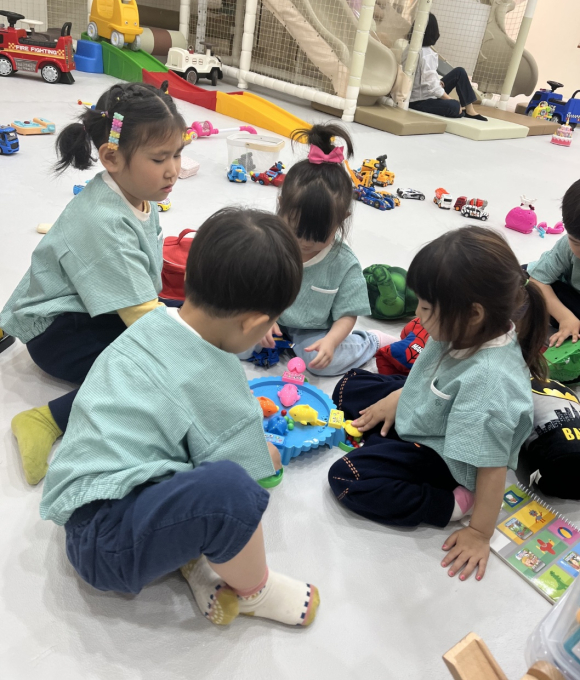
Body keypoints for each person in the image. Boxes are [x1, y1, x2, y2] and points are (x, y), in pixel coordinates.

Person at [39, 207, 320, 628]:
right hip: (107, 545)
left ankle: (192, 562)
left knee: (190, 464)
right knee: (232, 492)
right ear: (255, 323)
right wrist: (270, 455)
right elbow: (250, 471)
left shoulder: (148, 325)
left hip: (85, 500)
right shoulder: (218, 380)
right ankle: (255, 592)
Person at [328, 226, 548, 581]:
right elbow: (431, 377)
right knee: (348, 387)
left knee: (347, 476)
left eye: (427, 307)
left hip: (448, 457)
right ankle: (388, 431)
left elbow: (491, 469)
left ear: (473, 313)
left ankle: (453, 501)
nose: (417, 313)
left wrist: (479, 532)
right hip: (432, 407)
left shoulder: (489, 389)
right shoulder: (466, 328)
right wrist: (398, 398)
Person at [0, 82, 187, 485]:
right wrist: (196, 350)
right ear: (111, 158)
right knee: (153, 372)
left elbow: (143, 280)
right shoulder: (105, 222)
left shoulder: (139, 193)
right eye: (160, 158)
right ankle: (46, 419)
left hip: (93, 306)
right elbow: (143, 318)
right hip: (58, 333)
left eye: (177, 153)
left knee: (185, 324)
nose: (173, 169)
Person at [253, 123, 392, 376]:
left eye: (319, 235)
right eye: (296, 230)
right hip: (268, 317)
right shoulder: (268, 243)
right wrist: (261, 317)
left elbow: (347, 314)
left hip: (313, 330)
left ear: (341, 219)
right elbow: (252, 289)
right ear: (281, 206)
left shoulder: (343, 263)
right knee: (234, 342)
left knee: (321, 362)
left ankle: (370, 341)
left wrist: (331, 341)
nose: (305, 242)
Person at [528, 179, 580, 348]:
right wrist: (564, 317)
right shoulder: (566, 246)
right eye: (577, 243)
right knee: (519, 280)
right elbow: (537, 280)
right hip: (567, 295)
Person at [406, 13, 487, 121]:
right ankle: (463, 109)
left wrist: (437, 82)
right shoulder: (425, 54)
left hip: (422, 93)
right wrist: (452, 101)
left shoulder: (410, 48)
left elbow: (423, 78)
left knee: (459, 72)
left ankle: (469, 110)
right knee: (454, 106)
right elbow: (432, 87)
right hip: (419, 101)